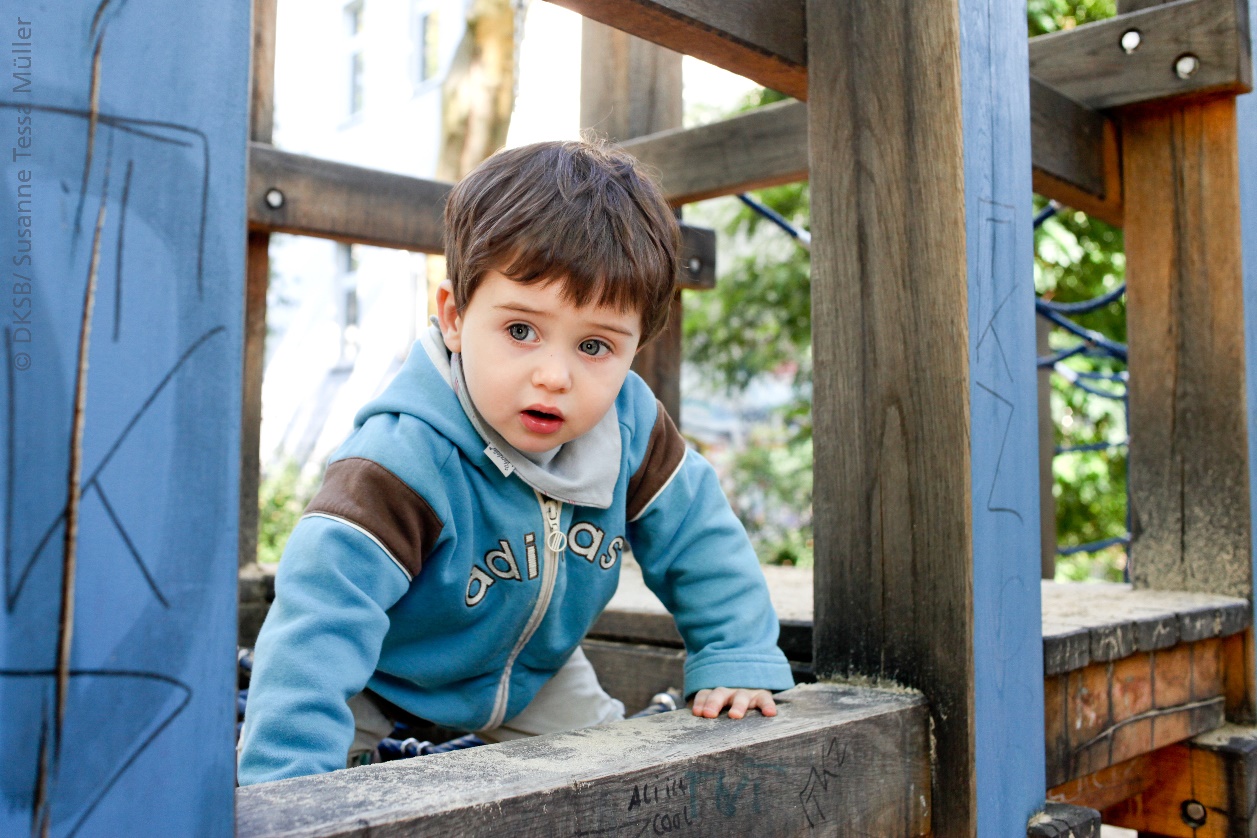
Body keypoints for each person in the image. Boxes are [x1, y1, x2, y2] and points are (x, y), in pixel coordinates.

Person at [236, 138, 795, 786]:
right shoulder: (400, 459)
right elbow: (319, 620)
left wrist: (735, 650)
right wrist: (284, 781)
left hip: (532, 672)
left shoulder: (629, 432)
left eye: (593, 345)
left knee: (616, 783)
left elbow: (698, 536)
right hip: (380, 672)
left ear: (636, 346)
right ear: (453, 317)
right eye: (520, 331)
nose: (552, 375)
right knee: (314, 783)